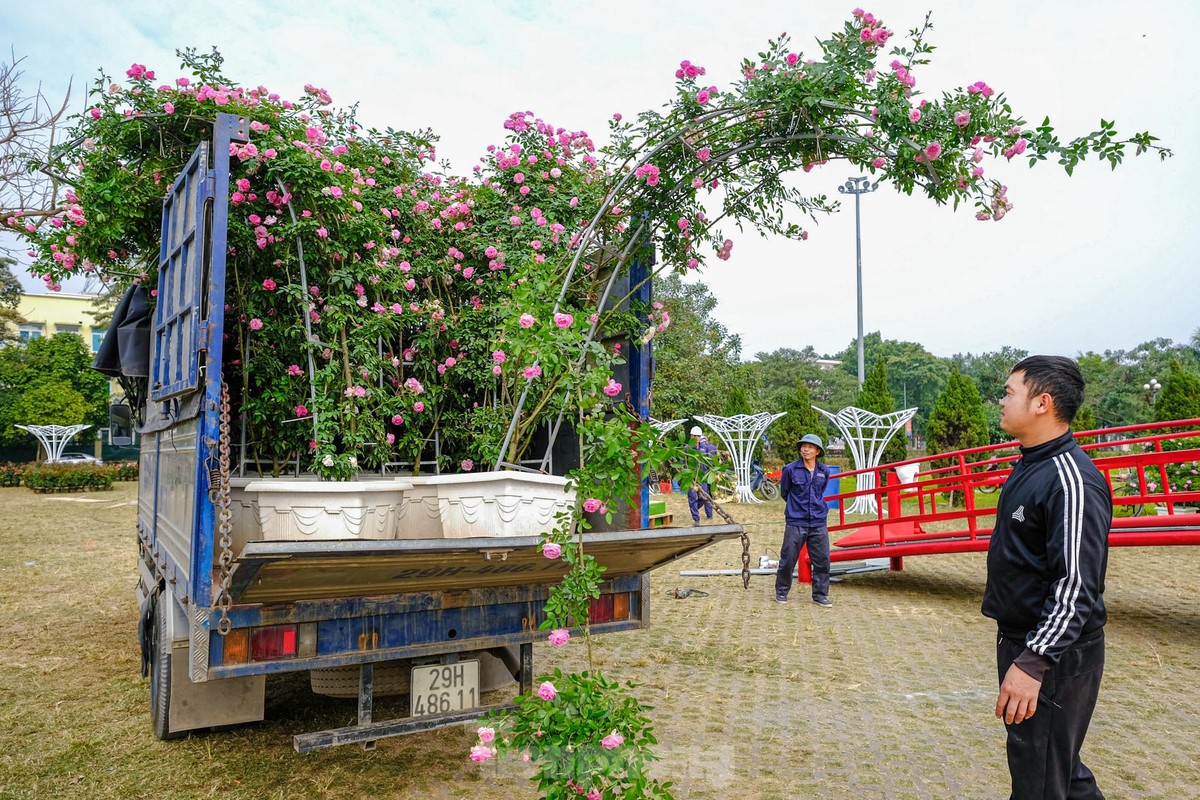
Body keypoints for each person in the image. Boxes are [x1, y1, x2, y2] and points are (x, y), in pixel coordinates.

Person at [982, 355, 1112, 800]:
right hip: (1024, 640)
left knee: (1039, 780)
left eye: (1009, 392)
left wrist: (1033, 663)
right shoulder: (1030, 464)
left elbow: (1076, 585)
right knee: (1058, 769)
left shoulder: (1071, 480)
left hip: (1054, 655)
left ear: (1042, 402)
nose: (1000, 400)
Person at [775, 433, 833, 607]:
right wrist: (796, 507)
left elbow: (819, 492)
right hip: (796, 521)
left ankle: (820, 595)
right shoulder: (790, 469)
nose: (805, 449)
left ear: (817, 451)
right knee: (788, 559)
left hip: (818, 521)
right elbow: (785, 492)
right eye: (803, 446)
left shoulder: (824, 471)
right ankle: (781, 591)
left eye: (809, 446)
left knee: (822, 560)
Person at [686, 426, 717, 524]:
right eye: (694, 436)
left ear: (700, 437)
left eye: (698, 436)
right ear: (690, 436)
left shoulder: (705, 448)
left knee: (705, 497)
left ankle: (705, 512)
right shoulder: (687, 448)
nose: (696, 438)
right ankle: (696, 519)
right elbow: (683, 462)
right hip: (691, 477)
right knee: (692, 497)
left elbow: (710, 461)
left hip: (703, 477)